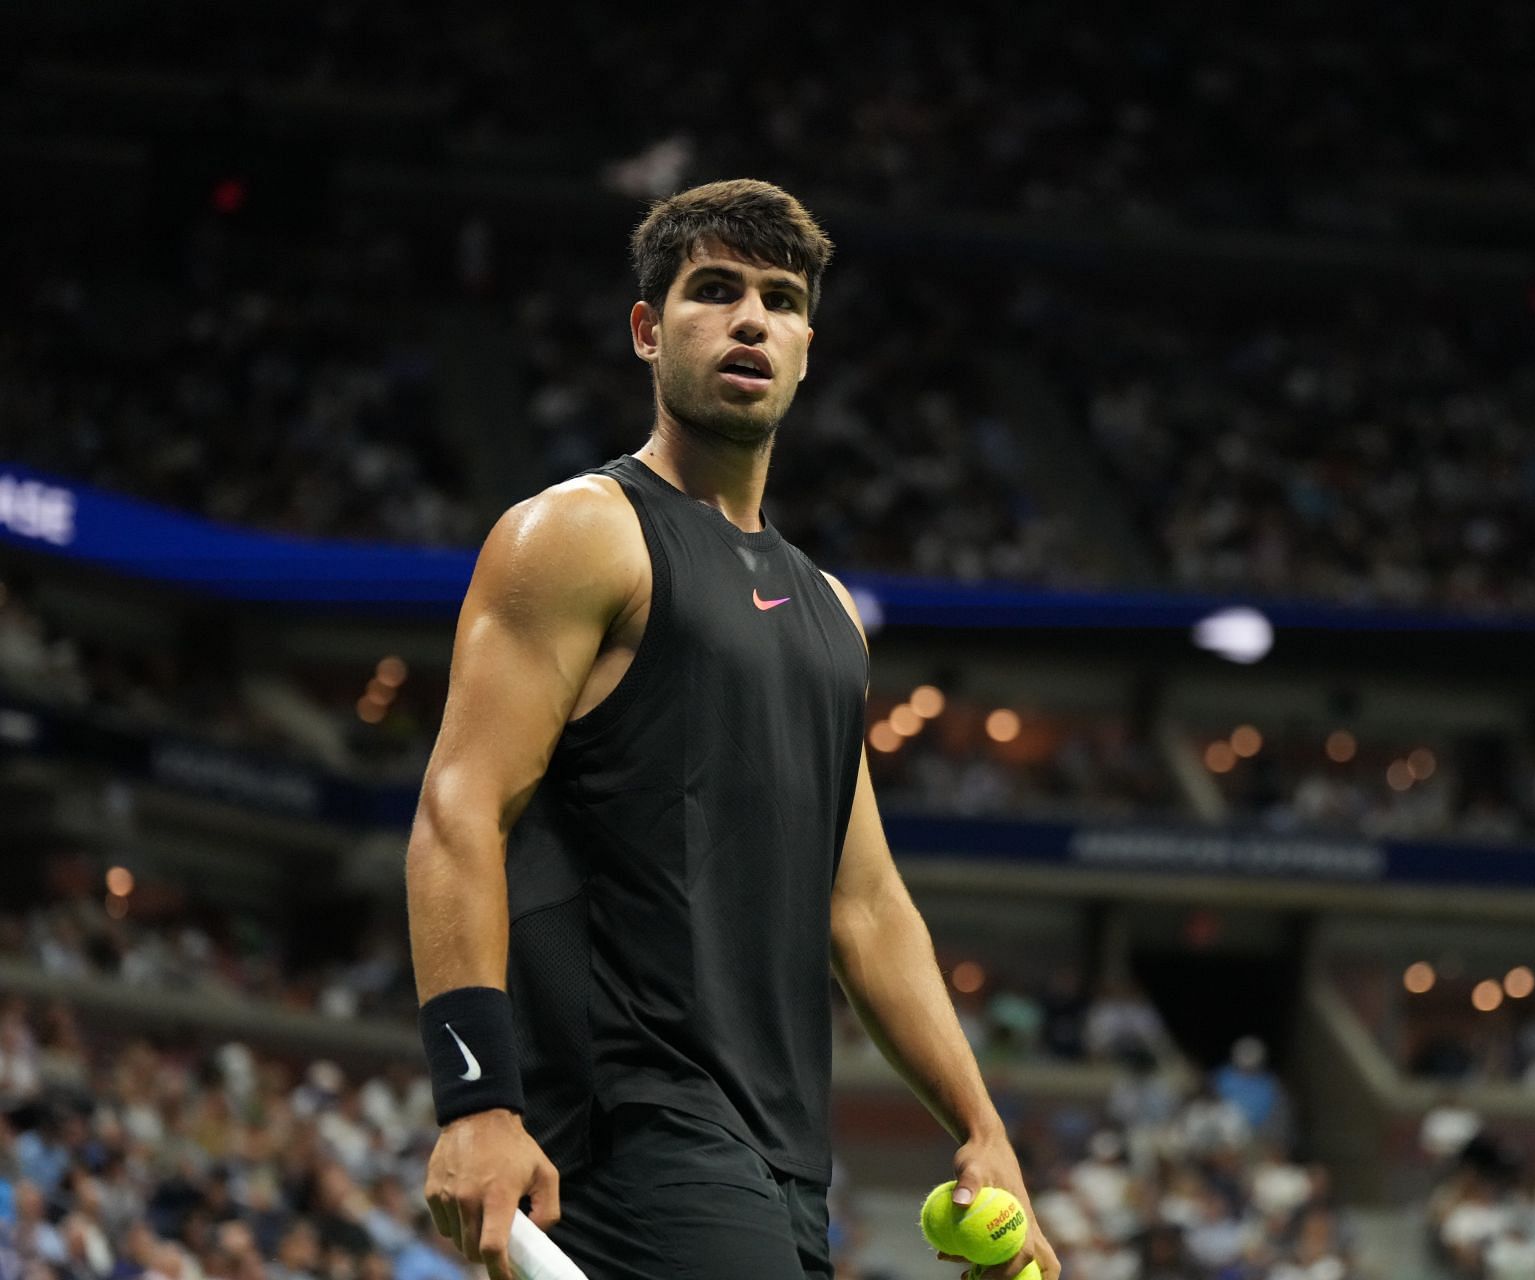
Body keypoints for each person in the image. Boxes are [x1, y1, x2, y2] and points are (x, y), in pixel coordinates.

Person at [403, 179, 1055, 1280]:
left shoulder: (831, 614)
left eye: (781, 299)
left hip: (786, 1154)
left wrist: (982, 1126)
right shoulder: (576, 536)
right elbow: (460, 809)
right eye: (714, 291)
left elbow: (866, 903)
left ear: (807, 347)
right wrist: (475, 1099)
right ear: (649, 332)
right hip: (628, 1125)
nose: (751, 318)